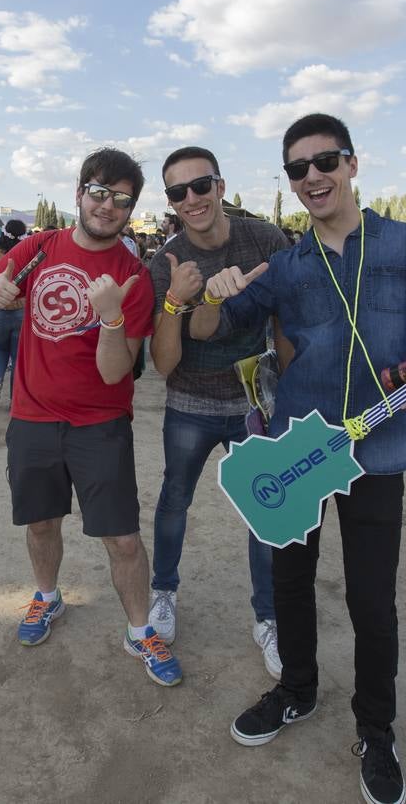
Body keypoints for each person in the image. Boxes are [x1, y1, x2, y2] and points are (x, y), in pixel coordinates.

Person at [188, 114, 406, 804]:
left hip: (380, 448)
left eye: (324, 161)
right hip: (300, 452)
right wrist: (208, 295)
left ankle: (376, 728)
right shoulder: (286, 265)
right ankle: (296, 690)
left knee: (373, 601)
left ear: (352, 163)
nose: (312, 176)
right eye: (296, 169)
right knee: (289, 585)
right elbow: (219, 325)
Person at [0, 147, 178, 688]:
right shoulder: (36, 249)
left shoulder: (134, 277)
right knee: (41, 522)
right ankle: (47, 597)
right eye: (99, 192)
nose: (107, 205)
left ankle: (141, 632)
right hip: (33, 418)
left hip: (99, 425)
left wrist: (112, 315)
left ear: (130, 208)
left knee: (122, 540)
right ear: (78, 193)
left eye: (121, 199)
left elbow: (116, 373)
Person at [146, 145, 291, 677]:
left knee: (265, 506)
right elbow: (164, 363)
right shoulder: (167, 262)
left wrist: (290, 393)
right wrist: (179, 301)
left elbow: (284, 320)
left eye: (200, 186)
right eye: (177, 192)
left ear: (221, 186)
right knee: (174, 500)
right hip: (189, 402)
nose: (191, 199)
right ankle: (163, 591)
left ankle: (269, 616)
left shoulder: (265, 240)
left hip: (255, 403)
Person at [0, 220, 27, 400]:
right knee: (17, 357)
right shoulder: (28, 255)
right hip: (19, 311)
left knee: (0, 350)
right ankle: (13, 400)